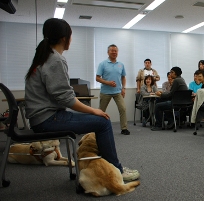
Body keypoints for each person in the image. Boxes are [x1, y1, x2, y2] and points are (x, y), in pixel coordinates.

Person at [24, 18, 139, 181]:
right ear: (65, 38)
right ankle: (115, 170)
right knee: (103, 121)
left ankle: (111, 167)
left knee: (101, 117)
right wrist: (93, 110)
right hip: (47, 120)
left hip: (42, 118)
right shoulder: (56, 59)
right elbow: (66, 99)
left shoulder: (44, 56)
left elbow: (61, 95)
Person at [96, 44, 130, 135]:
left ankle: (124, 128)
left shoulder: (121, 64)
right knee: (101, 111)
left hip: (118, 92)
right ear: (108, 52)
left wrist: (124, 88)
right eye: (112, 50)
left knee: (123, 108)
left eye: (116, 51)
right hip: (105, 92)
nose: (114, 52)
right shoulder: (103, 64)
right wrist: (108, 83)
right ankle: (98, 128)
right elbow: (97, 78)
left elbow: (123, 77)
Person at [151, 67, 188, 131]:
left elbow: (170, 94)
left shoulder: (176, 80)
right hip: (181, 102)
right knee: (159, 100)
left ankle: (159, 125)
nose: (170, 74)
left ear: (176, 73)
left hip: (176, 103)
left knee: (158, 106)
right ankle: (171, 121)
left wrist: (161, 94)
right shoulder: (181, 79)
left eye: (172, 72)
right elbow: (172, 93)